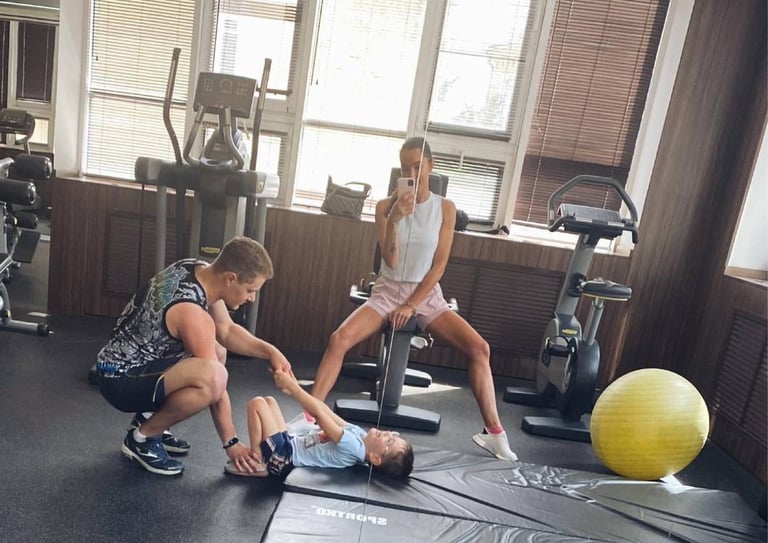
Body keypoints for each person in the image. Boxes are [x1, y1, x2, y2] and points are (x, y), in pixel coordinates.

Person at [293, 137, 517, 461]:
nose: (411, 173)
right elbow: (391, 260)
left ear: (431, 165)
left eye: (417, 166)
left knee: (480, 348)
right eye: (404, 167)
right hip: (388, 290)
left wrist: (411, 305)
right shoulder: (385, 207)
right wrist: (396, 219)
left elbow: (439, 266)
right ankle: (309, 417)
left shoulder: (445, 208)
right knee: (339, 339)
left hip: (426, 294)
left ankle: (494, 434)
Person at [95, 236, 292, 477]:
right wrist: (231, 443)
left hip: (124, 363)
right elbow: (214, 383)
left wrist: (270, 351)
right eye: (250, 290)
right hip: (119, 380)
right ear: (230, 278)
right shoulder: (192, 314)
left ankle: (148, 418)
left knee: (217, 351)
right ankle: (143, 438)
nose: (252, 298)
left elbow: (227, 330)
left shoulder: (196, 269)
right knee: (213, 377)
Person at [226, 368, 414, 480]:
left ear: (375, 458)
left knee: (257, 404)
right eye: (393, 435)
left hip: (284, 457)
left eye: (389, 442)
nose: (388, 434)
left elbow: (319, 415)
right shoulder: (359, 435)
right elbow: (325, 410)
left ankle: (258, 460)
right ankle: (260, 456)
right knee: (269, 401)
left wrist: (293, 387)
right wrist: (293, 386)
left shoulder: (354, 447)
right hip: (290, 441)